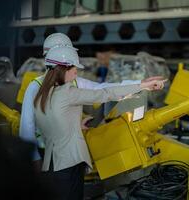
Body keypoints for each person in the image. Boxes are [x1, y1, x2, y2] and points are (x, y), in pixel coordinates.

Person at [34, 46, 166, 200]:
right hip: (69, 164)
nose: (77, 71)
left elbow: (52, 125)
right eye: (74, 67)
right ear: (63, 69)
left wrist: (76, 125)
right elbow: (105, 93)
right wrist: (142, 86)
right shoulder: (67, 92)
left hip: (53, 162)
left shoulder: (42, 93)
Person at [19, 33, 164, 166]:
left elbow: (105, 89)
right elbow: (27, 127)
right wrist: (34, 158)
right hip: (45, 153)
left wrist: (141, 85)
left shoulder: (74, 82)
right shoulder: (35, 86)